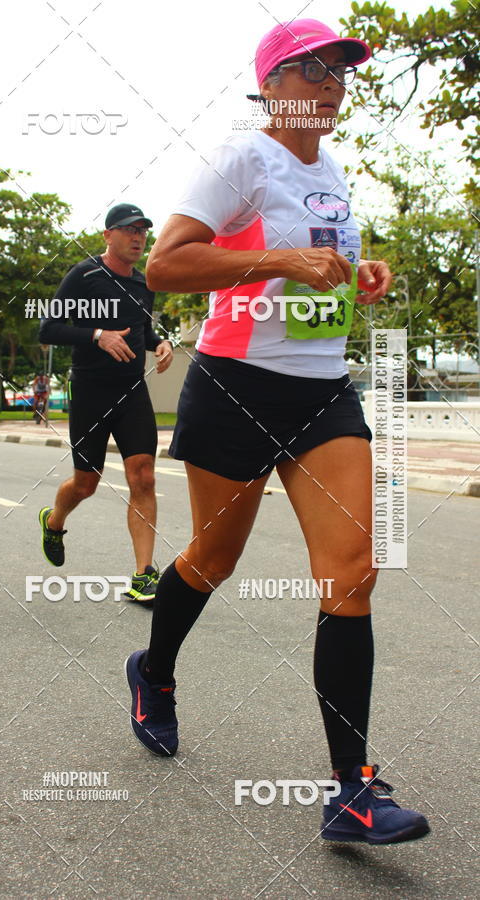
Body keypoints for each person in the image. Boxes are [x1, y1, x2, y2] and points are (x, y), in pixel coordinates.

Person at [125, 20, 430, 845]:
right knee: (210, 561)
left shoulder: (331, 168)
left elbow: (316, 274)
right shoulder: (242, 158)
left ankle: (351, 793)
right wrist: (278, 264)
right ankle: (154, 672)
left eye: (341, 71)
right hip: (235, 387)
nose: (333, 83)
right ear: (272, 82)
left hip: (322, 392)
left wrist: (354, 277)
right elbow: (166, 266)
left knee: (353, 573)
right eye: (314, 70)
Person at [38, 204, 173, 605]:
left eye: (143, 232)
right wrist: (98, 334)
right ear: (108, 235)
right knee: (86, 483)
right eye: (129, 230)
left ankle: (142, 575)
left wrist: (159, 343)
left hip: (131, 391)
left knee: (144, 476)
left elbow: (143, 330)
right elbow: (48, 328)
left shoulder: (145, 283)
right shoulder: (85, 276)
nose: (138, 238)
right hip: (91, 392)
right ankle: (55, 520)